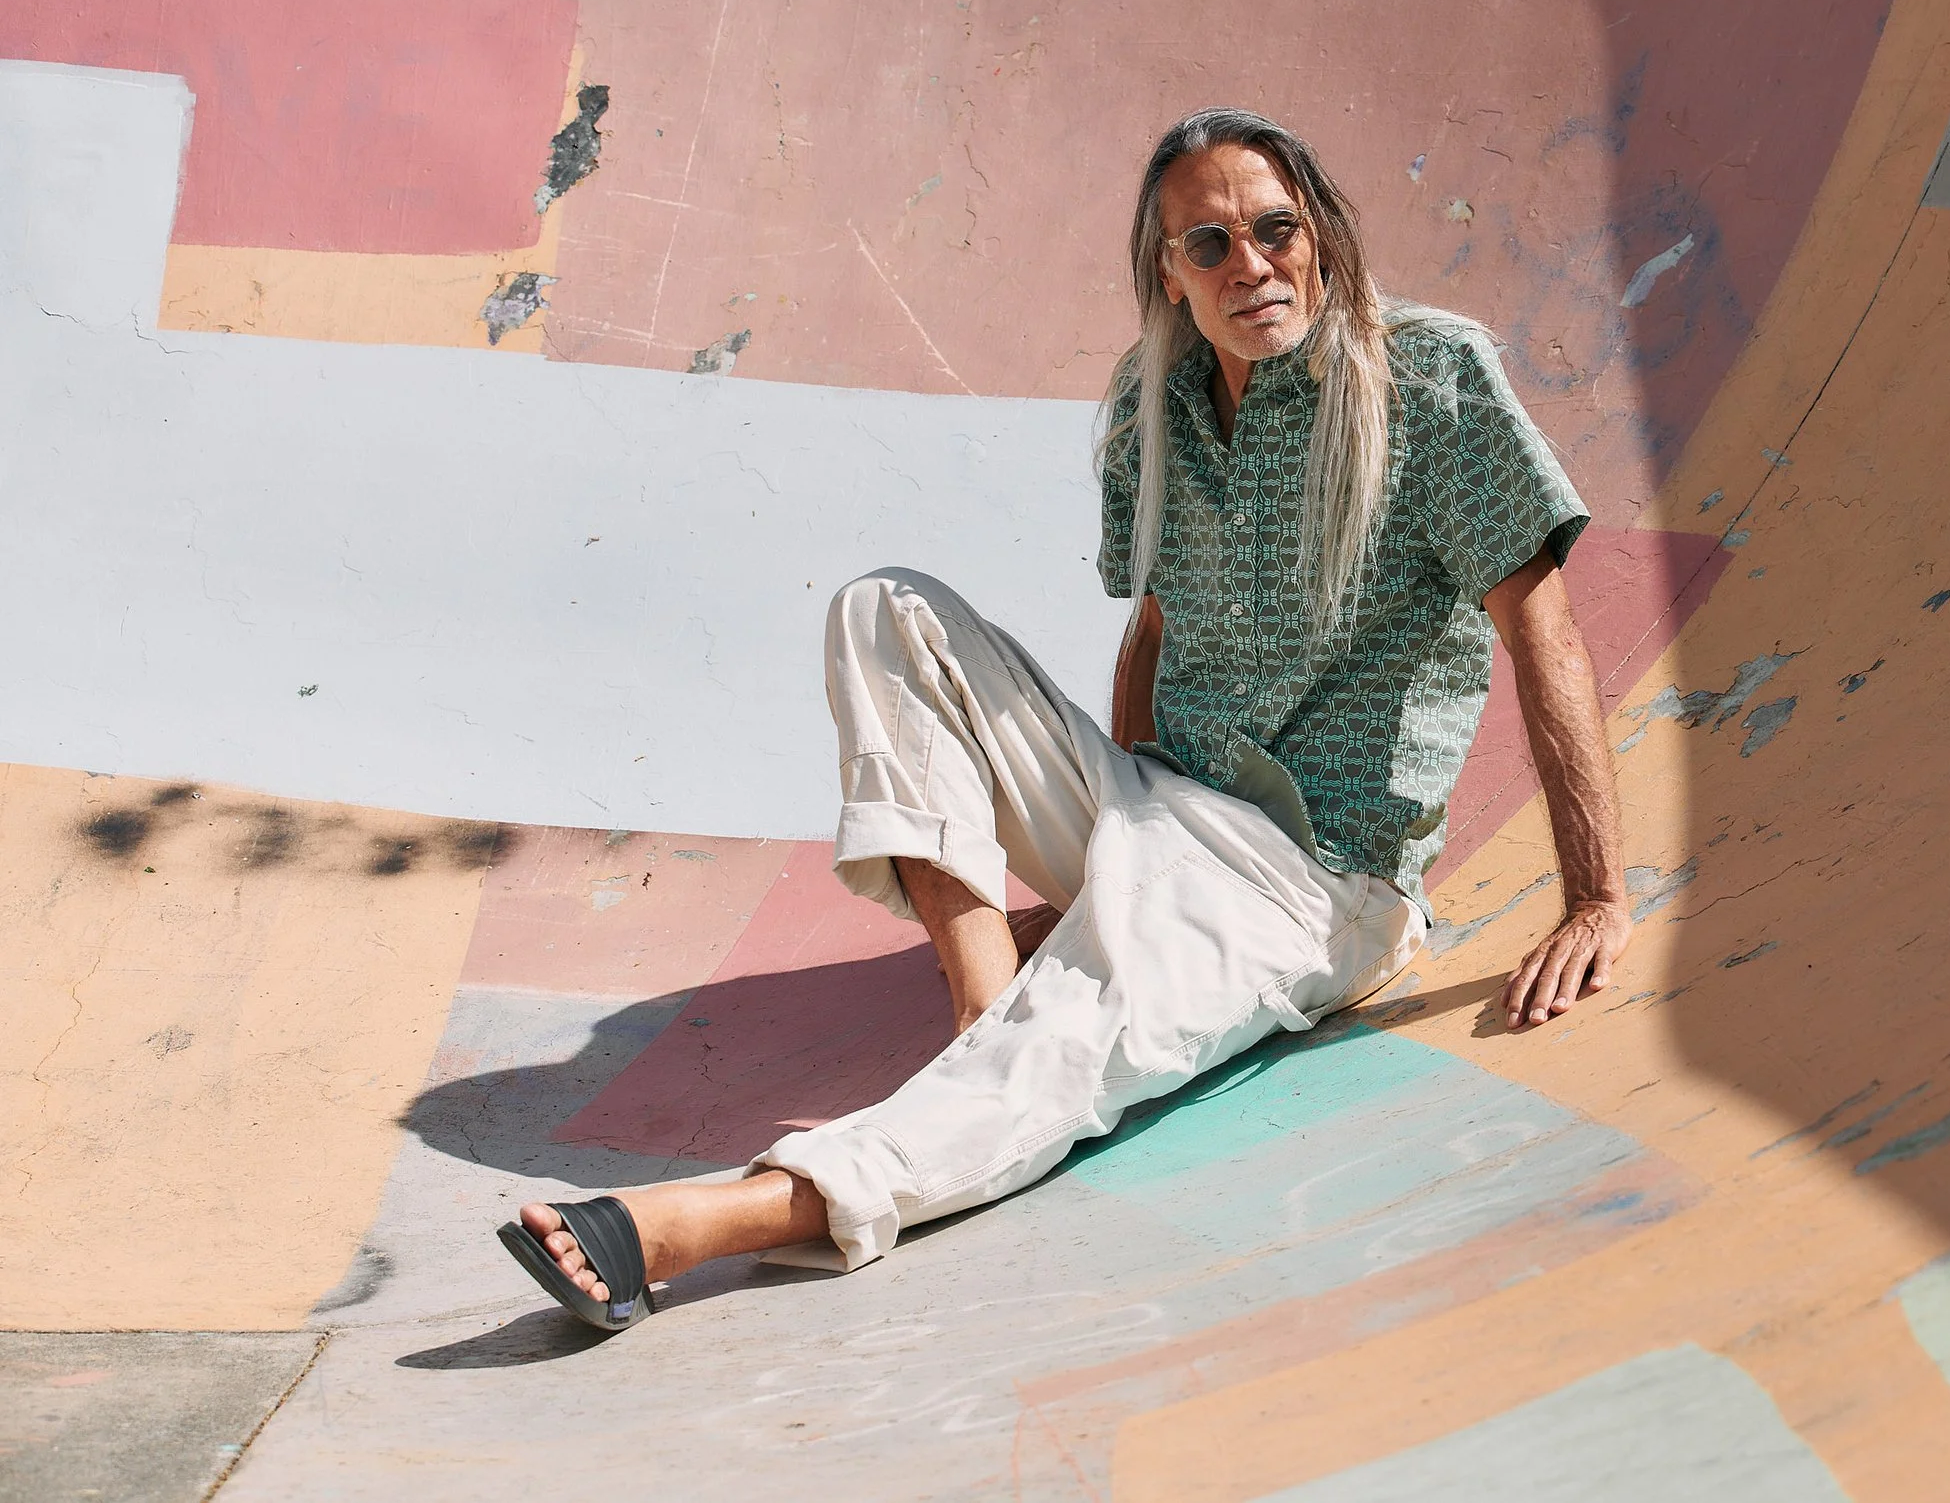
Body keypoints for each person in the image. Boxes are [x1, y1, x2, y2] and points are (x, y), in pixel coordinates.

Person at [499, 107, 1632, 1331]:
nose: (1249, 266)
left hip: (1312, 872)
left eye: (1275, 229)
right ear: (1169, 272)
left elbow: (1545, 632)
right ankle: (984, 1018)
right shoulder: (1156, 399)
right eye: (1210, 245)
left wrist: (1595, 897)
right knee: (889, 610)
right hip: (1153, 799)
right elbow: (1151, 630)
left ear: (1319, 235)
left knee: (1079, 1044)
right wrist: (1109, 841)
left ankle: (717, 1220)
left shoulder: (1431, 378)